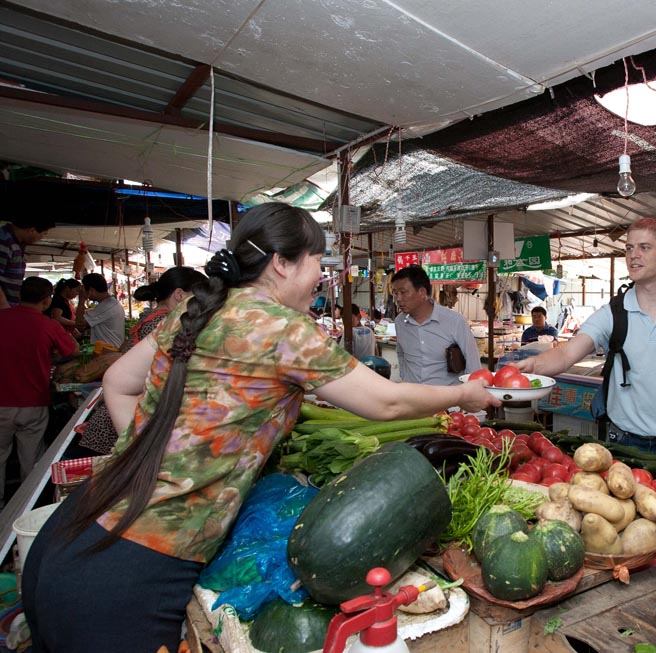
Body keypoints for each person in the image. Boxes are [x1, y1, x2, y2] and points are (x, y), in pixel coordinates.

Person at [21, 203, 498, 652]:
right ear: (282, 263)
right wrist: (464, 394)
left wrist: (157, 457)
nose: (322, 275)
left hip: (73, 532)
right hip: (130, 568)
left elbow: (117, 382)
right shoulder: (283, 329)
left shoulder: (195, 315)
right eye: (317, 261)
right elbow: (387, 401)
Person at [516, 217, 656, 468]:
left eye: (644, 247)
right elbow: (566, 354)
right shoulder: (613, 314)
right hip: (625, 444)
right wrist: (528, 367)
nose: (633, 255)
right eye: (628, 248)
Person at [71, 266, 209, 457]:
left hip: (120, 418)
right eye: (198, 298)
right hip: (122, 425)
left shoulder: (152, 318)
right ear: (179, 295)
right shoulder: (163, 324)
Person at [0, 277, 78, 500]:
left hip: (1, 402)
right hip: (33, 402)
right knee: (31, 460)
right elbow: (72, 350)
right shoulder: (48, 324)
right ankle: (28, 505)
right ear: (46, 300)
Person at [391, 265, 481, 385]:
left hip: (448, 399)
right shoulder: (399, 322)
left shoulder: (454, 321)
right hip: (413, 398)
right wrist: (404, 376)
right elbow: (401, 353)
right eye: (395, 293)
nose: (398, 298)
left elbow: (473, 364)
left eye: (403, 292)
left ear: (422, 292)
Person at [0, 217, 56, 309]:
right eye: (43, 234)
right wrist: (4, 307)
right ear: (32, 230)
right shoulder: (3, 240)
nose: (42, 238)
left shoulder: (16, 243)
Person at [75, 272, 126, 350]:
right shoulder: (111, 303)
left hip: (109, 352)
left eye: (85, 289)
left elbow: (79, 324)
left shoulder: (106, 306)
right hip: (111, 349)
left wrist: (81, 300)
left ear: (91, 290)